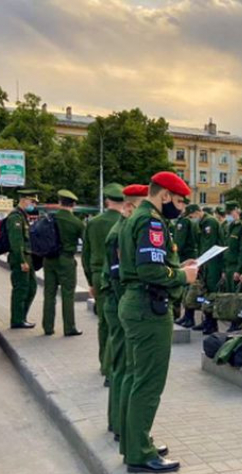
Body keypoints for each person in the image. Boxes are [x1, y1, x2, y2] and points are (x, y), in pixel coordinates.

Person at [118, 171, 198, 473]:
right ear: (164, 195)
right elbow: (150, 271)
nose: (180, 208)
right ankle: (140, 453)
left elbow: (150, 263)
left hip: (136, 303)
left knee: (134, 377)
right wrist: (182, 276)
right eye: (178, 201)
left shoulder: (136, 217)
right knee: (148, 383)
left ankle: (134, 441)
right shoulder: (151, 221)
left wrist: (178, 266)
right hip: (147, 308)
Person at [103, 183, 145, 440]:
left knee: (123, 366)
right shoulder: (119, 233)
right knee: (122, 366)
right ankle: (120, 425)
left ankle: (117, 422)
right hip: (118, 303)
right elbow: (119, 280)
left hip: (117, 302)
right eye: (143, 205)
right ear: (128, 206)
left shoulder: (124, 228)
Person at [82, 183, 125, 375]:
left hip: (98, 275)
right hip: (120, 276)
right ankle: (115, 364)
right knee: (118, 323)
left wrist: (90, 281)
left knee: (104, 322)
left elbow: (85, 254)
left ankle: (104, 364)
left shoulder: (93, 222)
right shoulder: (126, 222)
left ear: (107, 200)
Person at [42, 189, 86, 337]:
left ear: (60, 203)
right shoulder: (77, 222)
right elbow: (86, 243)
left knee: (49, 294)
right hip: (66, 260)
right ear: (73, 204)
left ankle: (48, 327)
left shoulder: (50, 218)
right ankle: (69, 327)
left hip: (49, 260)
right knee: (68, 295)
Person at [6, 189, 39, 329]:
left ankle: (21, 317)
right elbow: (16, 242)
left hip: (27, 257)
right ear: (24, 200)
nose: (34, 205)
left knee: (31, 287)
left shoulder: (23, 216)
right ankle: (17, 320)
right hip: (20, 258)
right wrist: (21, 261)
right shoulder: (15, 217)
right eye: (32, 202)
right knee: (21, 289)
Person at [194, 205, 223, 335]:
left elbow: (209, 245)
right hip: (206, 262)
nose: (192, 219)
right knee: (205, 293)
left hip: (212, 262)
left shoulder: (210, 222)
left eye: (192, 216)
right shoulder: (203, 223)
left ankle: (212, 324)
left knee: (211, 293)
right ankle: (206, 320)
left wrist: (201, 260)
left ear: (198, 213)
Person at [175, 204, 202, 328]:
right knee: (186, 290)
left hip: (186, 257)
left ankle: (189, 317)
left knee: (188, 289)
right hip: (188, 256)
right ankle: (187, 316)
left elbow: (179, 242)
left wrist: (173, 254)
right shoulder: (185, 221)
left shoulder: (184, 222)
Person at [223, 201, 242, 292]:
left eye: (230, 213)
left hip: (236, 266)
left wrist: (239, 270)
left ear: (237, 210)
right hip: (228, 265)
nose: (228, 216)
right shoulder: (230, 226)